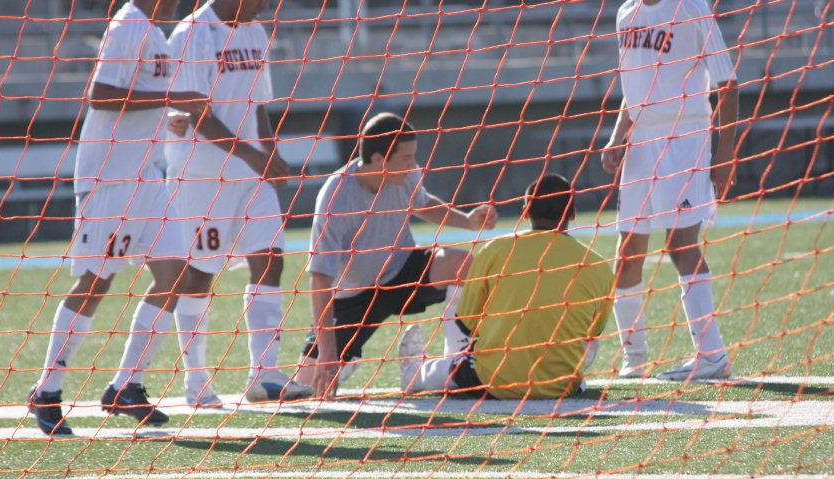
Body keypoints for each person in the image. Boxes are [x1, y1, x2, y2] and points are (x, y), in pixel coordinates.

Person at [28, 0, 210, 436]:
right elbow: (101, 94)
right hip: (109, 178)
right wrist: (172, 98)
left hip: (146, 176)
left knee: (177, 274)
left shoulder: (154, 30)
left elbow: (136, 97)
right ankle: (47, 391)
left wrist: (168, 118)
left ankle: (126, 386)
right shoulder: (129, 24)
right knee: (95, 282)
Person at [165, 0, 314, 406]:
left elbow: (258, 105)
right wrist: (253, 155)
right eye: (261, 0)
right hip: (201, 176)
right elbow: (198, 114)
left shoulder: (254, 31)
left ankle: (264, 376)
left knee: (271, 257)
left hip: (250, 176)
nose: (266, 7)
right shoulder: (191, 34)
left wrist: (270, 152)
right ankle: (196, 383)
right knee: (198, 275)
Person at [298, 112, 498, 398]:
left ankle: (456, 364)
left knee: (461, 263)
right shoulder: (335, 198)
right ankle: (344, 361)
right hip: (354, 298)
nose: (414, 164)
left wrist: (468, 220)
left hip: (403, 271)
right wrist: (328, 351)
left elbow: (423, 203)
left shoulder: (405, 174)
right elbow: (320, 279)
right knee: (311, 388)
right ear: (379, 159)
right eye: (406, 157)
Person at [601, 0, 738, 381]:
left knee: (680, 244)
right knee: (627, 253)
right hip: (640, 144)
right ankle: (635, 359)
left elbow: (728, 83)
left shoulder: (691, 7)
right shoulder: (625, 13)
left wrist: (725, 153)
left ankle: (712, 357)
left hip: (685, 138)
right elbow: (635, 89)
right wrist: (617, 138)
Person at [400, 174, 615, 399]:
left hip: (492, 377)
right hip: (560, 383)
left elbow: (466, 324)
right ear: (573, 213)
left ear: (525, 212)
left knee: (438, 373)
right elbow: (594, 332)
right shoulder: (599, 265)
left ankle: (414, 372)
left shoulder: (494, 250)